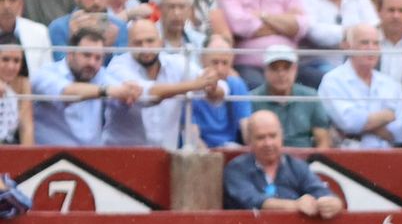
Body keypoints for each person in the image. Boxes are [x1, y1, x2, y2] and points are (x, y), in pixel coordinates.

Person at [99, 17, 217, 146]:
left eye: (150, 41)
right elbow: (150, 94)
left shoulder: (176, 62)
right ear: (129, 45)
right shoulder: (118, 66)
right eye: (138, 43)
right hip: (123, 156)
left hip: (165, 157)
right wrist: (195, 85)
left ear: (161, 42)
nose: (145, 48)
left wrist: (212, 81)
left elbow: (217, 86)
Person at [224, 109, 346, 214]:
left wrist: (333, 204)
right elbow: (252, 200)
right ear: (249, 140)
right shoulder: (236, 169)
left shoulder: (296, 166)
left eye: (273, 136)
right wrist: (295, 205)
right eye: (261, 137)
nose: (268, 143)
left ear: (281, 136)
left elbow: (323, 192)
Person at [31, 28, 139, 144]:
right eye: (87, 55)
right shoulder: (46, 73)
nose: (92, 63)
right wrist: (106, 91)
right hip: (51, 158)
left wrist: (129, 90)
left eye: (98, 58)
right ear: (70, 53)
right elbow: (67, 91)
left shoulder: (99, 75)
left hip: (90, 157)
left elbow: (120, 93)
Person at [320, 22, 402, 144]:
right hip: (347, 155)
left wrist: (364, 126)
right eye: (364, 43)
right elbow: (349, 122)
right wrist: (388, 115)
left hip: (387, 157)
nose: (371, 48)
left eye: (376, 43)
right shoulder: (332, 80)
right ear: (348, 46)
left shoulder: (391, 84)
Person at [249, 43, 334, 146]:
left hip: (305, 159)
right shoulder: (251, 99)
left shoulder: (310, 97)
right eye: (274, 68)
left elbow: (323, 140)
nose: (281, 74)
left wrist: (317, 161)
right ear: (265, 71)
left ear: (295, 69)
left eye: (286, 68)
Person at [220, 0, 310, 89]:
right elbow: (241, 26)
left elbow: (300, 26)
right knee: (258, 89)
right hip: (250, 66)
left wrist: (263, 16)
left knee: (315, 79)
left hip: (289, 64)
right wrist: (284, 25)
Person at [301, 0, 380, 88]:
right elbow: (313, 32)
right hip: (317, 64)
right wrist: (350, 33)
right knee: (337, 80)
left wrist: (354, 35)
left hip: (358, 62)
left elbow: (374, 27)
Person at [188, 34, 252, 146]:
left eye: (225, 63)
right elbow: (193, 136)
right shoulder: (192, 86)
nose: (219, 69)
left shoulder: (236, 84)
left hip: (231, 148)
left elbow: (246, 127)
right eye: (215, 62)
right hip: (201, 152)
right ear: (203, 60)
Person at [0, 0, 50, 82]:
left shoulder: (40, 32)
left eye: (12, 0)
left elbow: (47, 75)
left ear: (21, 4)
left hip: (30, 93)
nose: (6, 5)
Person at [0, 40, 32, 143]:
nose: (11, 67)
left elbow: (26, 128)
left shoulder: (23, 83)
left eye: (16, 61)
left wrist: (28, 158)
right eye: (5, 59)